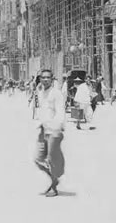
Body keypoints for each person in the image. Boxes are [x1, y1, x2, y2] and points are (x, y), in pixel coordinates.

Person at [33, 69, 65, 197]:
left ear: (52, 79)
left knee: (52, 159)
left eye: (48, 78)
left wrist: (56, 128)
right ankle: (54, 179)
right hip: (43, 129)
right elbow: (38, 109)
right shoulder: (40, 93)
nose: (45, 80)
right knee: (38, 159)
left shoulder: (56, 93)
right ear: (40, 79)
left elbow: (60, 112)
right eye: (43, 77)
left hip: (54, 130)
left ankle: (54, 187)